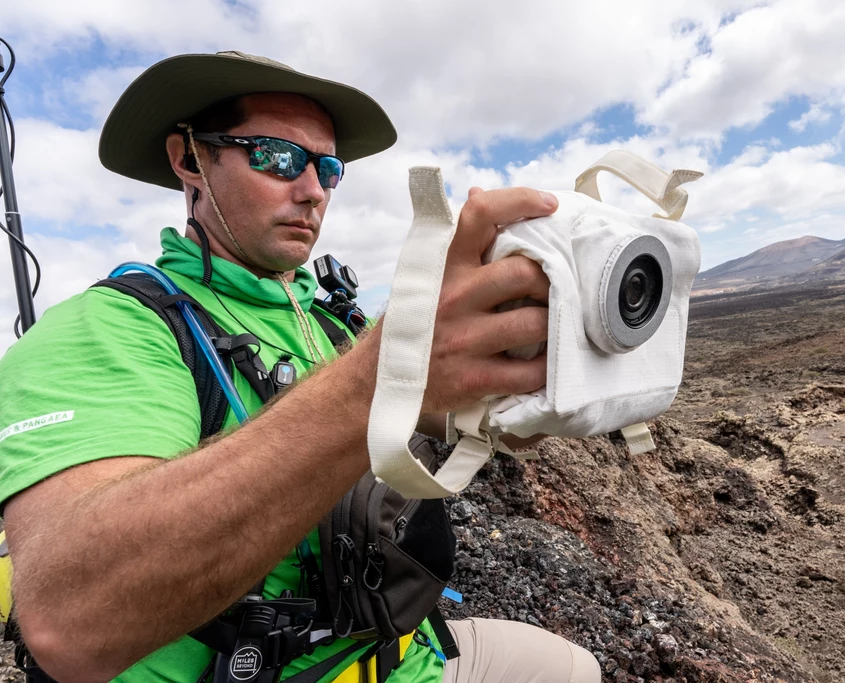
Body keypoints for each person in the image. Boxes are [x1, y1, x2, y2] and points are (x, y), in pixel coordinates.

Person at [0, 51, 601, 683]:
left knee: (573, 669)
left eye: (328, 167)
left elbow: (437, 419)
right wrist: (377, 376)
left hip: (400, 653)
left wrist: (512, 391)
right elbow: (71, 623)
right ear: (191, 159)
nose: (312, 190)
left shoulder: (335, 323)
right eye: (277, 156)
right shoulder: (109, 328)